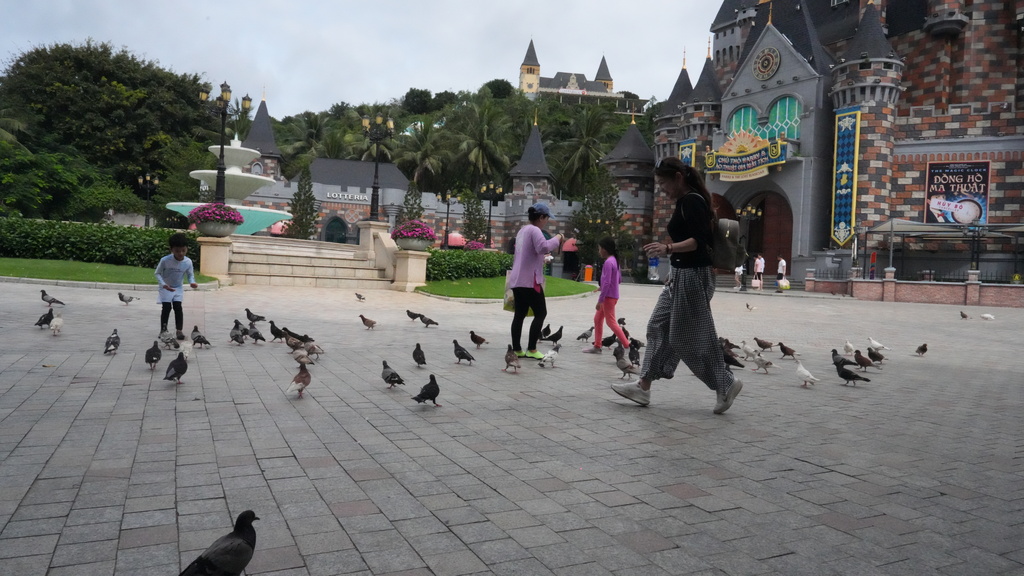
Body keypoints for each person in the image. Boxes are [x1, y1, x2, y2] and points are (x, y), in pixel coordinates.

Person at [611, 157, 742, 414]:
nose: (662, 189)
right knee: (657, 325)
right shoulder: (684, 201)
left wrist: (667, 248)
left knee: (688, 338)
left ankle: (725, 382)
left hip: (694, 276)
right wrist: (674, 269)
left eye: (663, 183)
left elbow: (698, 241)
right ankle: (643, 386)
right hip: (681, 274)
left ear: (678, 178)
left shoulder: (693, 201)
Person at [508, 202, 564, 359]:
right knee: (541, 313)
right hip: (530, 281)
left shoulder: (522, 230)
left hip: (517, 280)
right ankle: (532, 349)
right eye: (546, 218)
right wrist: (558, 237)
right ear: (541, 217)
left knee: (519, 314)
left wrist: (541, 259)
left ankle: (517, 349)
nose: (547, 221)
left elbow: (529, 253)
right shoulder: (535, 230)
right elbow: (543, 247)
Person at [583, 237, 630, 354]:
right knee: (598, 319)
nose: (599, 251)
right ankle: (597, 346)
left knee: (611, 322)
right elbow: (618, 280)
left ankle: (627, 345)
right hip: (612, 296)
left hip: (608, 298)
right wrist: (603, 288)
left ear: (604, 249)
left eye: (599, 248)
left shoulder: (609, 262)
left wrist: (600, 300)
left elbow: (608, 282)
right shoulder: (615, 260)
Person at [155, 232, 198, 339]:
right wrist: (163, 284)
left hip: (178, 288)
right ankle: (163, 330)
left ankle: (179, 330)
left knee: (178, 307)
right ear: (171, 250)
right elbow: (157, 273)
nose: (181, 253)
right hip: (166, 287)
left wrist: (192, 282)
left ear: (187, 249)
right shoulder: (165, 260)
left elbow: (190, 275)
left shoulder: (188, 262)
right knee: (166, 308)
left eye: (183, 250)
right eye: (177, 251)